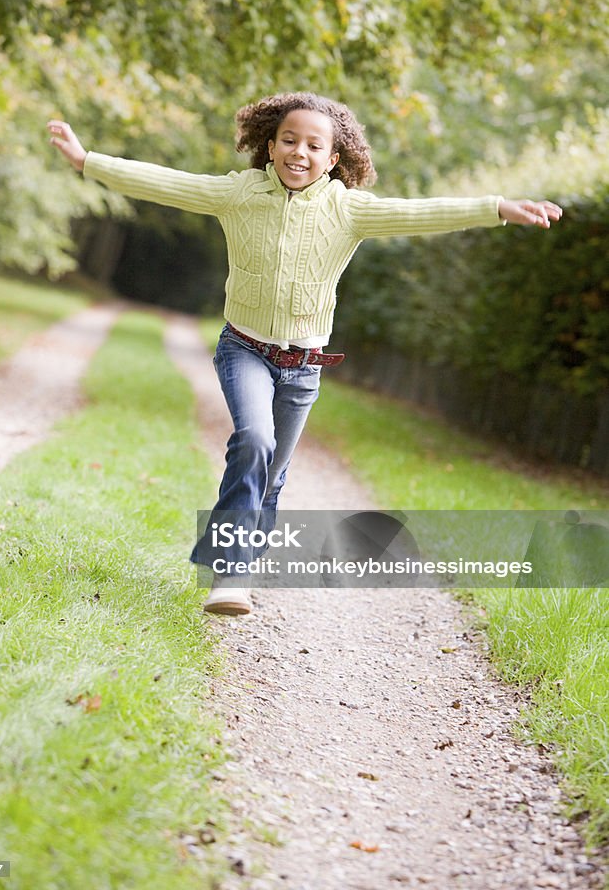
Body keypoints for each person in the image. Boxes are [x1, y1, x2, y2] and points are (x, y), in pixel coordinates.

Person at [47, 91, 562, 616]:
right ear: (269, 146)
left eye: (314, 145)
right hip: (244, 348)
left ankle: (233, 554)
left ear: (333, 159)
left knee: (272, 475)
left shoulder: (348, 210)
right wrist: (87, 161)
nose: (300, 152)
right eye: (289, 140)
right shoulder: (239, 193)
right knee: (254, 440)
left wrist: (497, 208)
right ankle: (231, 573)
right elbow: (168, 183)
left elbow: (421, 213)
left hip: (303, 366)